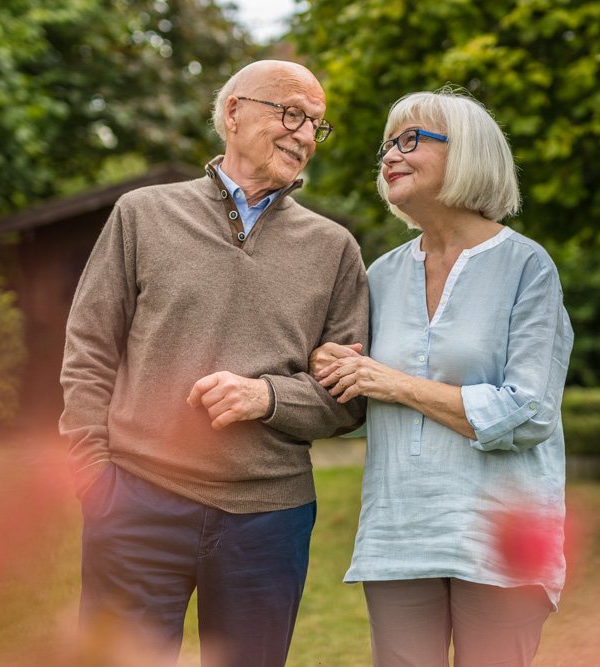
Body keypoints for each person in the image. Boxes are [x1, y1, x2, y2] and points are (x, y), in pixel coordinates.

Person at [59, 60, 369, 667]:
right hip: (136, 500)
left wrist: (268, 397)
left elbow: (349, 398)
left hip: (269, 518)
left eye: (317, 124)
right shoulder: (141, 215)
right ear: (233, 113)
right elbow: (89, 350)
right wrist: (91, 473)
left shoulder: (335, 249)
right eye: (291, 113)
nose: (306, 134)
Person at [312, 89, 573, 667]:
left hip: (501, 536)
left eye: (410, 140)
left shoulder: (527, 265)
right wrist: (333, 368)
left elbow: (529, 412)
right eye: (387, 145)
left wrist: (393, 383)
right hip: (399, 532)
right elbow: (360, 393)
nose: (390, 156)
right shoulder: (379, 274)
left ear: (470, 153)